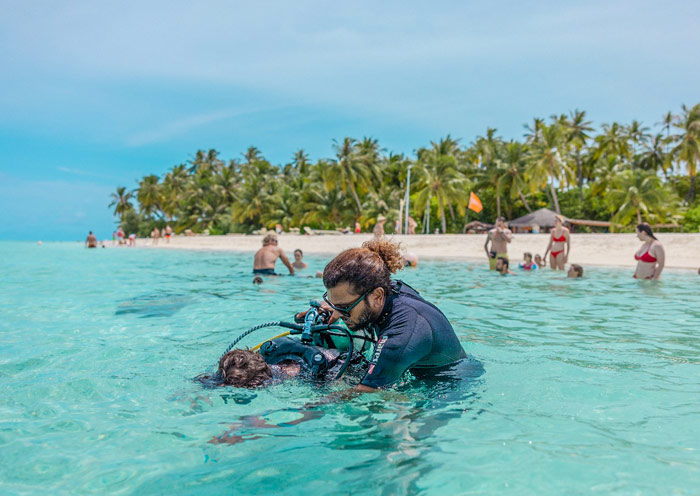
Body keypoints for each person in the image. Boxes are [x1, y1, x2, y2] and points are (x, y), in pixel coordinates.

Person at [311, 239, 466, 391]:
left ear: (377, 296)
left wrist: (307, 408)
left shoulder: (400, 333)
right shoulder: (383, 289)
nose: (339, 312)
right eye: (334, 303)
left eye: (344, 306)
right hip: (417, 371)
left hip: (446, 386)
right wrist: (333, 306)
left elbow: (366, 391)